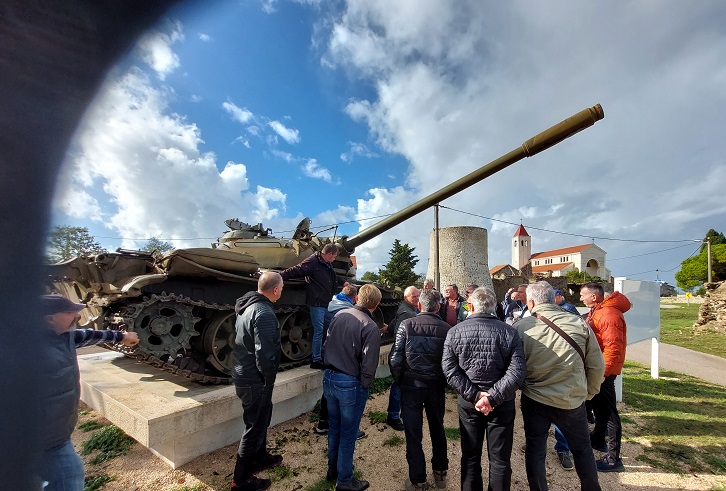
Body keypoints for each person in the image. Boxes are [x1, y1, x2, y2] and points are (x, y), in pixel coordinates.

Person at [39, 294, 140, 491]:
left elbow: (87, 335)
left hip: (56, 436)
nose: (77, 314)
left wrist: (121, 336)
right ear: (49, 318)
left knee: (69, 474)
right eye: (69, 312)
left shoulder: (64, 335)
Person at [515, 281, 605, 491]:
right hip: (571, 398)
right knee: (582, 450)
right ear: (552, 298)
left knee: (536, 450)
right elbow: (597, 365)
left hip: (535, 398)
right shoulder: (579, 324)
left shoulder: (521, 328)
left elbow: (515, 367)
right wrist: (588, 393)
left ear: (530, 302)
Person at [442, 287, 526, 491]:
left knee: (470, 456)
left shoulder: (455, 331)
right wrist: (491, 397)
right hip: (500, 401)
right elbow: (517, 372)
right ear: (495, 306)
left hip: (471, 402)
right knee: (500, 459)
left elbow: (449, 369)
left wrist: (476, 396)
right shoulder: (509, 332)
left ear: (471, 306)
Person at [389, 289, 450, 491]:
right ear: (438, 307)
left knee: (413, 433)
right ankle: (440, 472)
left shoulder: (407, 325)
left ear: (420, 306)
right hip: (435, 386)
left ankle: (418, 479)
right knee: (437, 428)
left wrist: (400, 380)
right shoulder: (447, 329)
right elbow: (450, 363)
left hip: (411, 385)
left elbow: (396, 358)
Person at [323, 284, 382, 491]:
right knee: (348, 433)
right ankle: (345, 481)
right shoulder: (370, 326)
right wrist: (363, 386)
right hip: (350, 382)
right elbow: (369, 364)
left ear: (357, 298)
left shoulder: (339, 315)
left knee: (334, 428)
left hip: (329, 378)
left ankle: (333, 470)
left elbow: (325, 344)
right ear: (376, 304)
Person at [231, 272, 285, 491]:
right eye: (281, 287)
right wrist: (268, 377)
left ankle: (259, 457)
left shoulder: (247, 307)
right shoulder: (263, 312)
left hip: (246, 374)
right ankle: (241, 480)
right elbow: (265, 353)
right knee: (253, 426)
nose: (282, 291)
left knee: (262, 419)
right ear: (275, 290)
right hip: (256, 378)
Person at [580, 282, 631, 472]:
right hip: (599, 368)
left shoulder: (608, 314)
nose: (580, 298)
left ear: (594, 297)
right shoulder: (599, 310)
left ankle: (613, 458)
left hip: (603, 371)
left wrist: (602, 373)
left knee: (609, 413)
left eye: (583, 295)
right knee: (599, 407)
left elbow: (613, 347)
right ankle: (599, 439)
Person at [314, 284, 364, 440]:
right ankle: (347, 431)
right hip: (342, 356)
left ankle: (323, 423)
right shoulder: (346, 312)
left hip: (328, 354)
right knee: (345, 396)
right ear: (355, 298)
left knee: (329, 393)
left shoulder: (330, 305)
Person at [280, 243, 342, 369]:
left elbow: (333, 276)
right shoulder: (313, 261)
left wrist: (343, 282)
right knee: (319, 331)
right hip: (317, 302)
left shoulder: (326, 263)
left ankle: (323, 356)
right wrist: (279, 276)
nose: (334, 259)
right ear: (329, 254)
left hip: (324, 301)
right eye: (334, 256)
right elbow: (296, 270)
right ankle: (316, 360)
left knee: (326, 329)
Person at [386, 285, 420, 431]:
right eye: (414, 296)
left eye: (418, 296)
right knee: (398, 385)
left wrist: (387, 328)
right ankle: (393, 416)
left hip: (405, 353)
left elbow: (395, 321)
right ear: (406, 297)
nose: (417, 298)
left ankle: (397, 413)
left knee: (400, 384)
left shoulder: (408, 309)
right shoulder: (407, 313)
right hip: (404, 354)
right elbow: (400, 337)